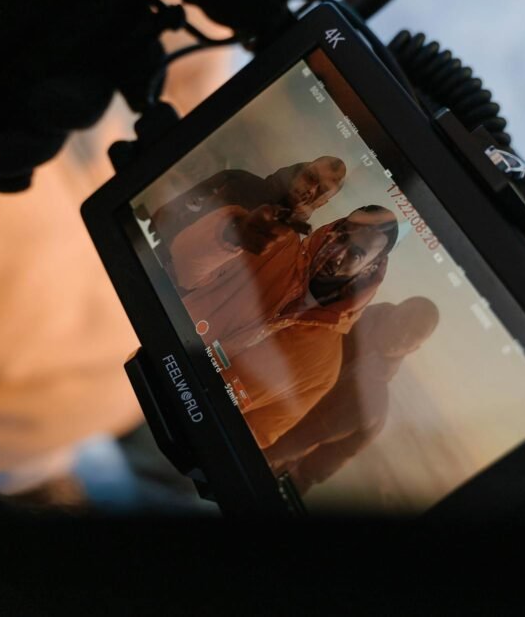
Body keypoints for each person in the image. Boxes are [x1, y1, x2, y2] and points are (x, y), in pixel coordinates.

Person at [169, 204, 399, 359]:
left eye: (355, 253)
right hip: (167, 339)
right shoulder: (272, 244)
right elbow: (185, 268)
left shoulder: (323, 358)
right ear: (332, 228)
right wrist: (230, 235)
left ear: (370, 268)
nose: (337, 254)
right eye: (342, 235)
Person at [262, 297, 440, 494]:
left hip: (260, 461)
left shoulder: (373, 412)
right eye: (405, 319)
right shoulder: (332, 317)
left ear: (415, 348)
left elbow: (307, 476)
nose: (404, 333)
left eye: (416, 333)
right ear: (392, 310)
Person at [149, 155, 346, 266]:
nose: (311, 190)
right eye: (311, 177)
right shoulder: (237, 180)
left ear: (322, 204)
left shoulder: (289, 252)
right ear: (299, 171)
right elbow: (171, 213)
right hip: (154, 253)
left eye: (322, 191)